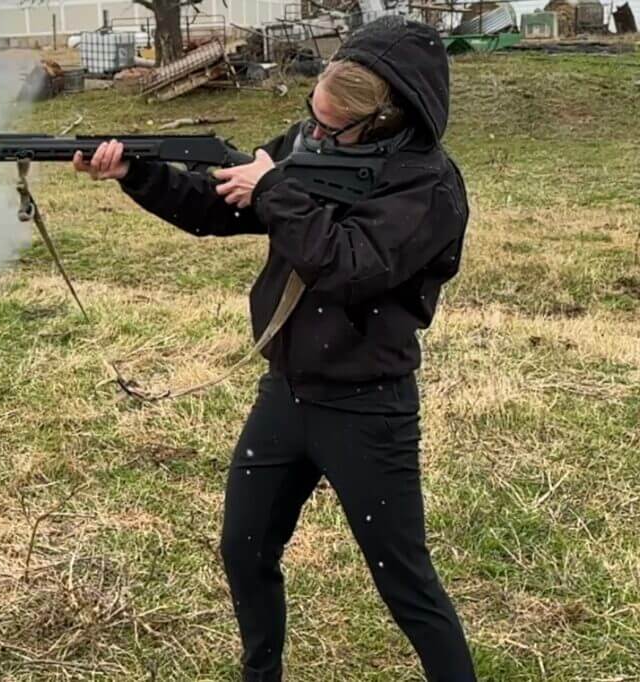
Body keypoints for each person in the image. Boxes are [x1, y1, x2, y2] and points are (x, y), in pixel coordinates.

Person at [74, 16, 477, 681]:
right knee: (244, 549)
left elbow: (350, 267)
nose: (311, 135)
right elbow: (217, 206)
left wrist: (276, 189)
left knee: (406, 585)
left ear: (381, 119)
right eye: (309, 118)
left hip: (365, 407)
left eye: (328, 127)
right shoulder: (311, 147)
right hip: (286, 394)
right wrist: (136, 173)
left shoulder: (427, 186)